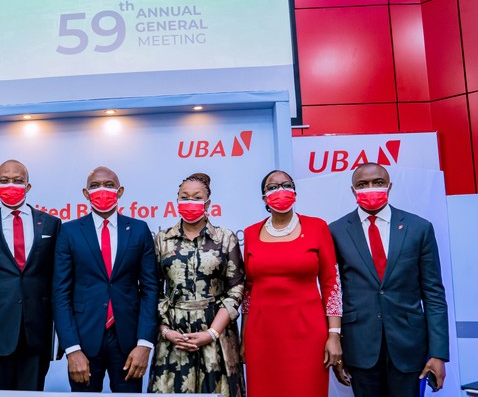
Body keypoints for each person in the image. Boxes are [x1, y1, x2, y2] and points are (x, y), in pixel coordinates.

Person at [329, 163, 448, 396]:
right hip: (359, 347)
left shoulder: (419, 228)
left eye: (378, 182)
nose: (370, 188)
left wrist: (438, 353)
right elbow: (333, 293)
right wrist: (337, 344)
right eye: (362, 184)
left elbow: (434, 294)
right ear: (353, 190)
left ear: (390, 186)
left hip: (409, 347)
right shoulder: (335, 231)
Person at [53, 166, 159, 393]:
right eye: (95, 186)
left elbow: (150, 289)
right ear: (85, 192)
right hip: (83, 341)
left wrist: (144, 343)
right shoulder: (69, 231)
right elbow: (60, 294)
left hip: (129, 343)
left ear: (120, 191)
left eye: (109, 185)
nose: (102, 190)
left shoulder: (139, 230)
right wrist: (71, 349)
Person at [241, 169, 342, 397]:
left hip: (308, 334)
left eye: (286, 184)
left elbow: (331, 284)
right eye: (272, 187)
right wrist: (243, 336)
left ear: (295, 191)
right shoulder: (250, 233)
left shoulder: (317, 227)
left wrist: (334, 334)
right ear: (264, 197)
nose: (280, 190)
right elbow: (249, 290)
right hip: (261, 336)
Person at [0, 159, 62, 390]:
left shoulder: (51, 225)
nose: (11, 185)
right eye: (5, 180)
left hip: (37, 335)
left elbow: (58, 284)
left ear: (28, 186)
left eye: (18, 181)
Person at [149, 173, 245, 396]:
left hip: (216, 338)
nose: (190, 202)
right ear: (177, 201)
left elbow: (236, 288)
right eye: (185, 197)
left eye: (196, 197)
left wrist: (212, 333)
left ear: (208, 203)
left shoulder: (225, 238)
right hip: (174, 339)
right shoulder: (162, 239)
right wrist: (165, 331)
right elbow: (152, 288)